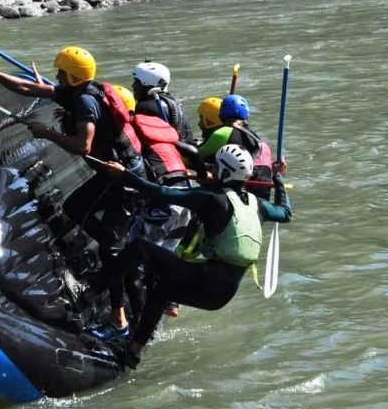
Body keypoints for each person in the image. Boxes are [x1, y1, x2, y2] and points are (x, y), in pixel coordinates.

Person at [0, 47, 146, 337]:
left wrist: (47, 133)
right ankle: (117, 252)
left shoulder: (85, 101)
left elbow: (82, 146)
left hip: (122, 180)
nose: (57, 77)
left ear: (73, 77)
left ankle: (119, 319)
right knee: (74, 208)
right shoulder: (77, 92)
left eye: (61, 73)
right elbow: (29, 88)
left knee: (111, 250)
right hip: (108, 176)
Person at [100, 144, 291, 369]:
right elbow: (285, 212)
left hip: (204, 282)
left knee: (141, 247)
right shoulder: (258, 205)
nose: (212, 169)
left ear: (224, 171)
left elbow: (162, 193)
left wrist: (125, 175)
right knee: (160, 289)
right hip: (222, 296)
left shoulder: (211, 198)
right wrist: (279, 182)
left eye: (216, 166)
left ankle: (95, 290)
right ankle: (134, 351)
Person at [89, 84, 192, 340]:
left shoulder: (130, 135)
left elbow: (139, 176)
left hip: (163, 206)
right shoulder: (153, 128)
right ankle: (164, 307)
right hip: (184, 200)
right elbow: (187, 152)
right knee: (160, 261)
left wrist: (122, 174)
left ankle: (128, 325)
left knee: (133, 261)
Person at [196, 94, 278, 199]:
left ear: (220, 116)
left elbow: (194, 156)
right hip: (262, 202)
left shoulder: (224, 132)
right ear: (246, 115)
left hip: (236, 198)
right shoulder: (262, 143)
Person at [132, 61, 194, 144]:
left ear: (147, 84)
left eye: (136, 82)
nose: (133, 85)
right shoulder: (176, 103)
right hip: (187, 149)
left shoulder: (145, 107)